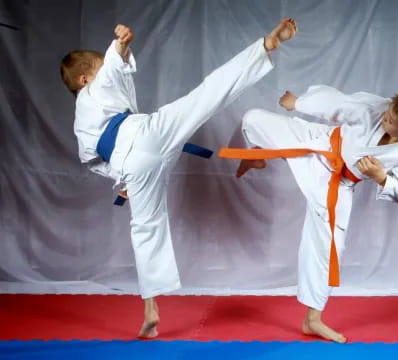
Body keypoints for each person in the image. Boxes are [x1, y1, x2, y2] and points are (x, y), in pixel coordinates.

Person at [60, 19, 297, 338]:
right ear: (85, 78)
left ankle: (150, 309)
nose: (107, 72)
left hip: (131, 164)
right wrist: (119, 46)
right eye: (100, 69)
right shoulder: (95, 88)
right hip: (145, 134)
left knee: (145, 229)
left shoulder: (81, 126)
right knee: (206, 96)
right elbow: (114, 67)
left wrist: (123, 181)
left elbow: (94, 160)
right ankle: (264, 49)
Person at [219, 85, 398, 343]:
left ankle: (312, 319)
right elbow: (338, 104)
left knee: (329, 247)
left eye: (390, 120)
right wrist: (298, 103)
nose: (384, 116)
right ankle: (255, 154)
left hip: (336, 183)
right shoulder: (376, 108)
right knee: (253, 119)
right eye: (389, 109)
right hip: (319, 142)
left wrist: (381, 178)